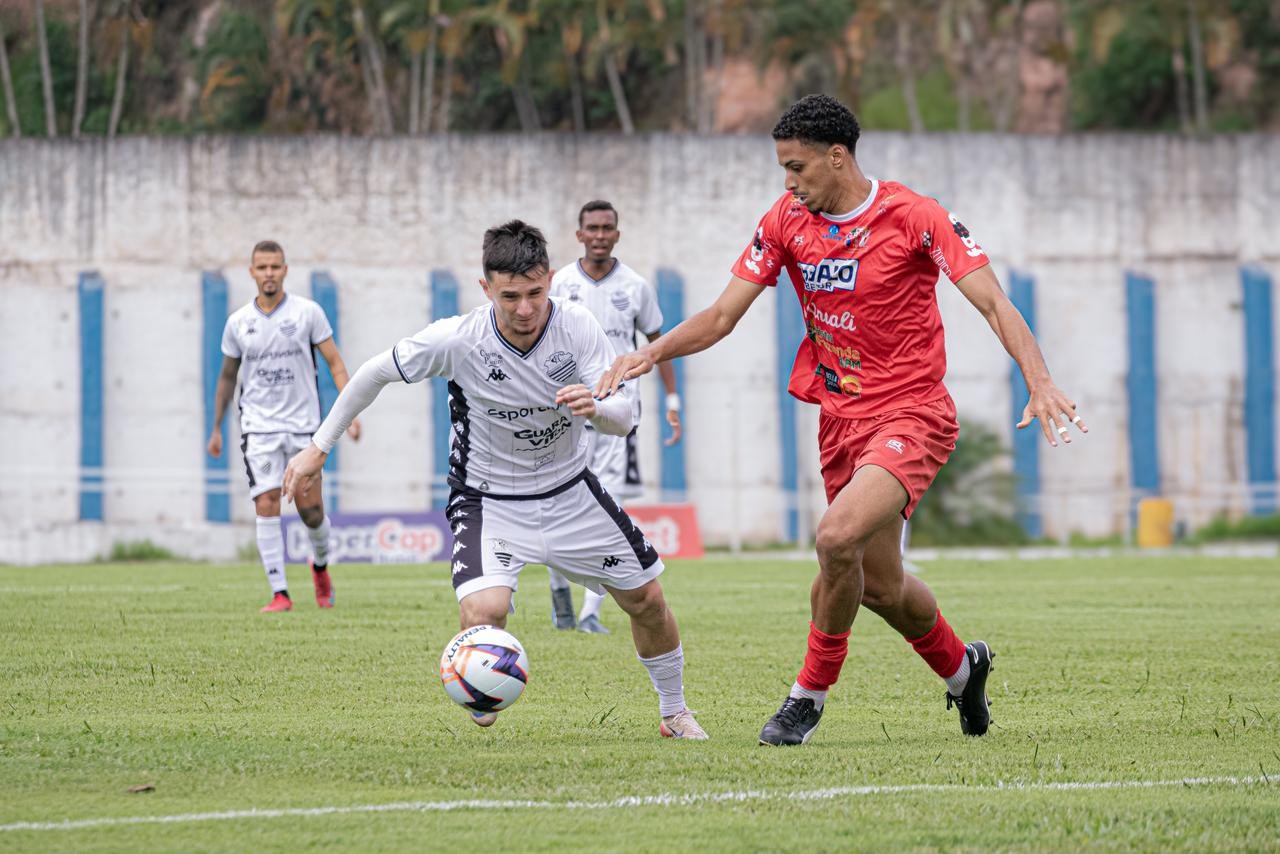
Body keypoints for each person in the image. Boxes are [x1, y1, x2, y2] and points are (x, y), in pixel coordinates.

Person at [597, 94, 1087, 746]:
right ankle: (963, 670)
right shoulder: (785, 221)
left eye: (796, 167)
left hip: (912, 414)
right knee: (880, 587)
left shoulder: (916, 217)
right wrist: (652, 353)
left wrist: (1039, 378)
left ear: (837, 157)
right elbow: (721, 316)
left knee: (834, 540)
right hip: (839, 420)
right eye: (783, 169)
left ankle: (806, 699)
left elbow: (994, 302)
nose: (788, 183)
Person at [282, 220, 707, 739]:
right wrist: (318, 448)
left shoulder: (578, 327)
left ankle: (674, 712)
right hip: (488, 501)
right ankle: (481, 682)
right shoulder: (458, 339)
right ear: (485, 288)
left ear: (550, 279)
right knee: (487, 610)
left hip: (571, 493)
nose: (525, 309)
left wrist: (596, 407)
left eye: (535, 293)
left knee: (649, 600)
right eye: (510, 297)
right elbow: (373, 373)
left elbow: (625, 417)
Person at [543, 199, 684, 635]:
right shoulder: (560, 284)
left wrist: (672, 401)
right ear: (580, 234)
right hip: (568, 412)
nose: (600, 235)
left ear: (617, 235)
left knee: (609, 507)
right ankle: (560, 595)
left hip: (618, 413)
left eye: (607, 228)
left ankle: (590, 612)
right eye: (593, 228)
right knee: (556, 505)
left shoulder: (636, 287)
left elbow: (658, 347)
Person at [207, 240, 362, 613]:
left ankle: (320, 567)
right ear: (252, 272)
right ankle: (280, 593)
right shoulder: (237, 323)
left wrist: (351, 413)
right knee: (266, 501)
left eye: (275, 266)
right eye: (262, 267)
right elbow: (227, 377)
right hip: (258, 428)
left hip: (304, 428)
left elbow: (335, 363)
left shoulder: (308, 313)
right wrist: (216, 427)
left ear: (285, 270)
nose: (269, 273)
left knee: (311, 512)